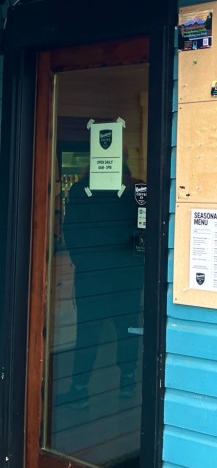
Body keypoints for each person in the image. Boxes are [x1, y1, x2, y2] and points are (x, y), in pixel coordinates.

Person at [59, 169, 145, 407]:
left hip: (93, 273)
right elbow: (144, 228)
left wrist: (83, 262)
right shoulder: (136, 189)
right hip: (128, 273)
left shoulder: (80, 190)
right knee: (127, 326)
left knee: (88, 329)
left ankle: (80, 388)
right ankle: (128, 379)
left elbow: (71, 230)